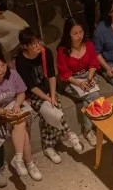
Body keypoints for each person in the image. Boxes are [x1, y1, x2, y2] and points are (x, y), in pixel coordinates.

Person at [14, 28, 84, 163]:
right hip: (33, 95)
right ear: (25, 46)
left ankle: (48, 147)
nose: (38, 45)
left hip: (49, 90)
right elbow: (31, 86)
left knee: (51, 112)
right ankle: (70, 134)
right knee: (52, 111)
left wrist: (52, 96)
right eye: (33, 44)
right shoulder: (21, 61)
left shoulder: (46, 52)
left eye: (38, 41)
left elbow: (52, 75)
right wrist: (47, 99)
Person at [0, 49, 42, 182]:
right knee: (21, 125)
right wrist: (3, 112)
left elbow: (21, 93)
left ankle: (19, 159)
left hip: (16, 107)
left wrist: (17, 105)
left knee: (20, 122)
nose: (2, 69)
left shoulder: (12, 74)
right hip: (1, 115)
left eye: (3, 65)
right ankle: (28, 163)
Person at [57, 17, 110, 147]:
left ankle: (89, 129)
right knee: (94, 95)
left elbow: (93, 63)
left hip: (87, 76)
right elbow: (64, 73)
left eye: (80, 32)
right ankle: (93, 127)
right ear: (68, 34)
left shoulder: (89, 44)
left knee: (88, 97)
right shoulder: (63, 50)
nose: (79, 36)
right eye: (75, 33)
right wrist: (79, 83)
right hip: (72, 80)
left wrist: (89, 78)